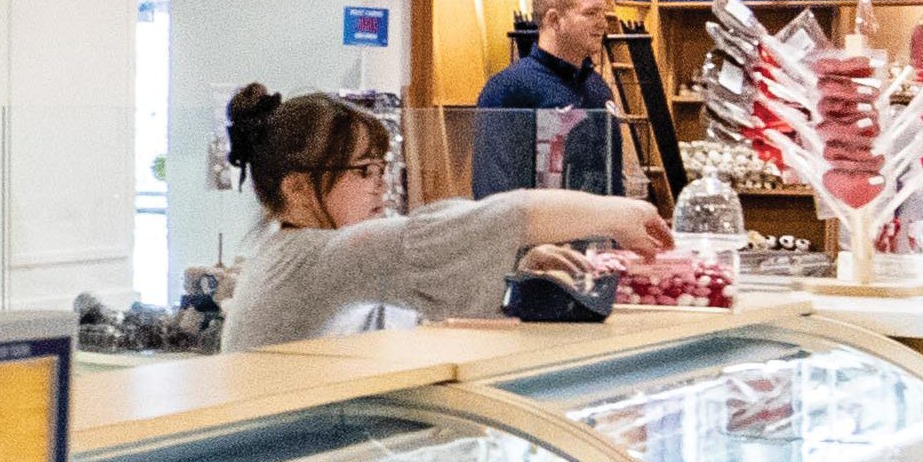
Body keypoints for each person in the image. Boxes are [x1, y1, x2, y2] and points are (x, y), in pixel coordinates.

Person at [215, 86, 671, 352]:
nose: (379, 184)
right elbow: (473, 225)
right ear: (294, 187)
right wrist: (616, 212)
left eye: (381, 169)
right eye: (361, 171)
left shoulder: (297, 252)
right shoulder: (314, 256)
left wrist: (514, 265)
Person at [468, 0, 622, 199]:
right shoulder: (510, 89)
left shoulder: (598, 88)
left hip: (597, 231)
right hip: (542, 231)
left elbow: (612, 179)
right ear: (553, 20)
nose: (602, 24)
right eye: (590, 13)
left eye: (603, 14)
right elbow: (493, 191)